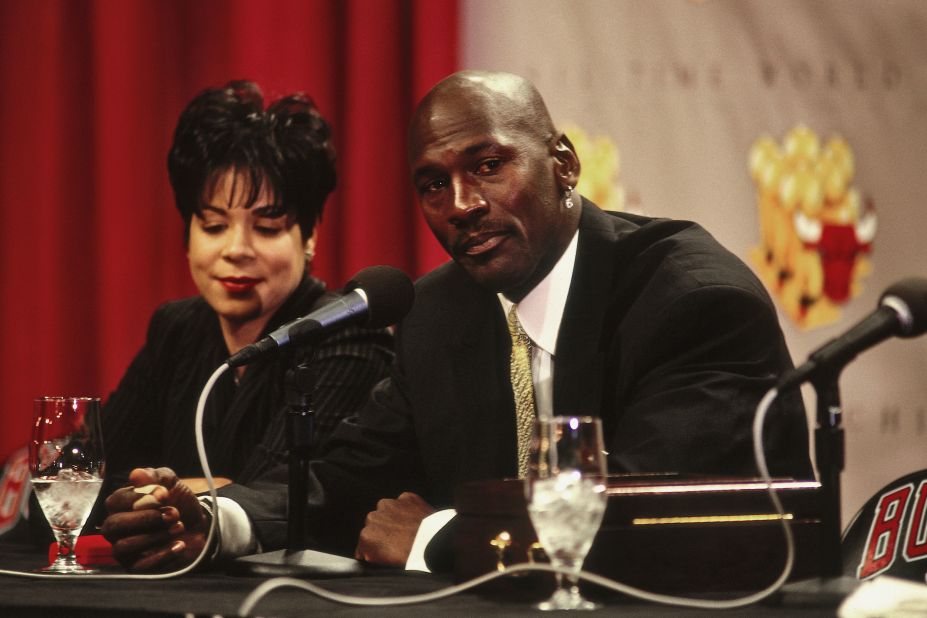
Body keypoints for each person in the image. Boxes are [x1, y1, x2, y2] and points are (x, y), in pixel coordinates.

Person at [101, 71, 811, 572]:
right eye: (432, 183)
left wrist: (435, 537)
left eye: (488, 165)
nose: (460, 203)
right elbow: (348, 479)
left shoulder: (689, 299)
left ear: (562, 163)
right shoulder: (437, 312)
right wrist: (217, 521)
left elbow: (633, 518)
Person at [95, 80, 393, 565]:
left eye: (268, 226)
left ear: (311, 235)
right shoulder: (176, 327)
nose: (235, 249)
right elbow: (91, 475)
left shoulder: (346, 333)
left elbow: (278, 496)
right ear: (188, 234)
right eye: (213, 225)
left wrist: (178, 498)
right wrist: (155, 499)